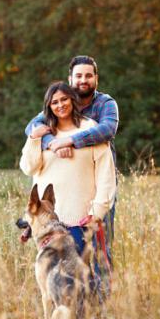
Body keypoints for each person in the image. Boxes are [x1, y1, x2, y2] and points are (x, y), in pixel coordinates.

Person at [24, 56, 118, 294]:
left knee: (93, 269)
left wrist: (97, 212)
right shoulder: (43, 128)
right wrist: (43, 140)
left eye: (64, 99)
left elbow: (107, 176)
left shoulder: (95, 127)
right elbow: (27, 166)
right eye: (55, 101)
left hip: (83, 214)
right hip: (53, 218)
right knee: (56, 279)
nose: (60, 104)